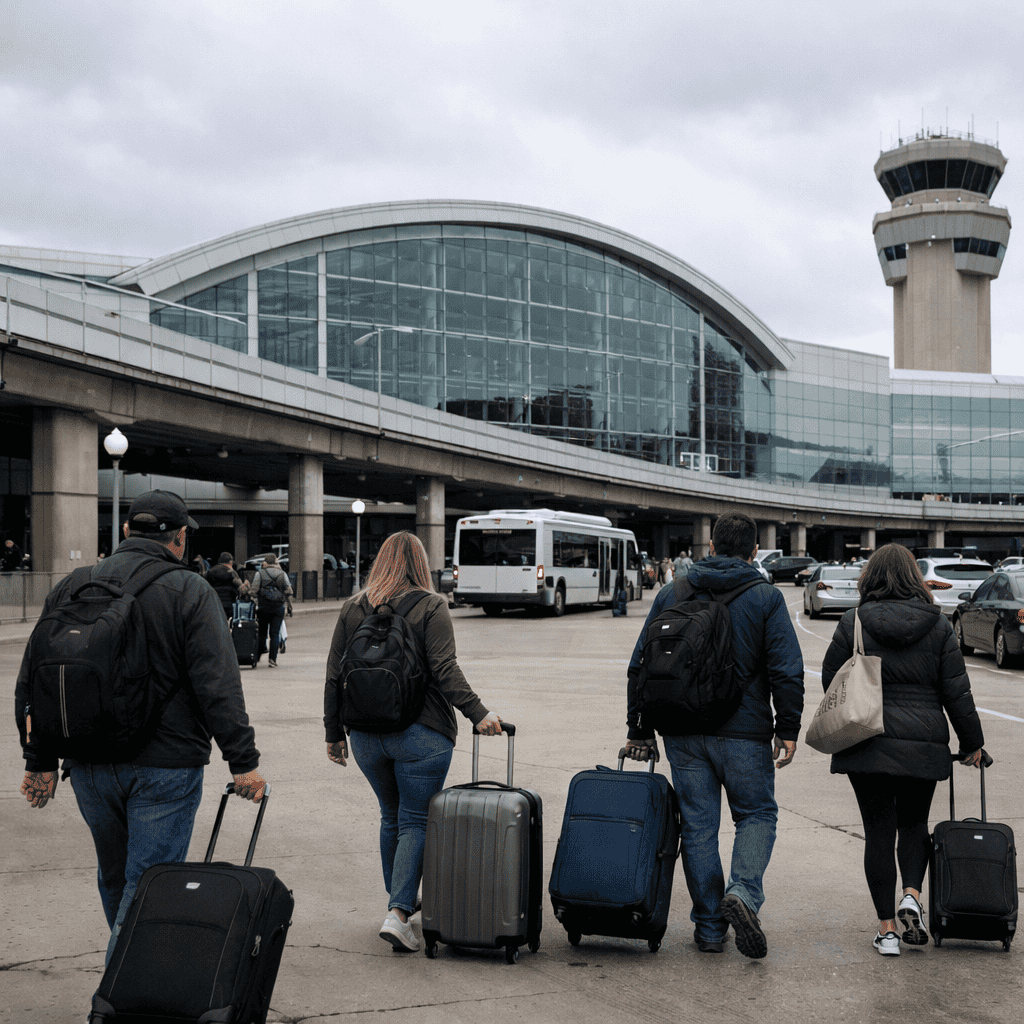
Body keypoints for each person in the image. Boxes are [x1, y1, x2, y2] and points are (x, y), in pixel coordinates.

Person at [16, 489, 266, 966]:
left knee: (116, 878)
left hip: (87, 763)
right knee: (147, 882)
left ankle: (135, 969)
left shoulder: (72, 586)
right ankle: (120, 995)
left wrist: (40, 761)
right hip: (165, 765)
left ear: (127, 532)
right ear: (181, 538)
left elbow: (34, 679)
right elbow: (217, 684)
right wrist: (244, 762)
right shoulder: (190, 590)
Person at [624, 511, 804, 958]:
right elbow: (786, 669)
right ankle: (742, 894)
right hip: (745, 733)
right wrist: (789, 728)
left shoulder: (673, 591)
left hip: (682, 733)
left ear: (711, 547)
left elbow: (640, 666)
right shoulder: (766, 598)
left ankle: (708, 929)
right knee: (757, 815)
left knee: (700, 829)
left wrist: (639, 728)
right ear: (754, 551)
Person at [324, 531, 502, 953]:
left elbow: (335, 674)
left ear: (380, 561)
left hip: (366, 735)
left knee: (391, 817)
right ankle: (400, 913)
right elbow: (444, 667)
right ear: (420, 564)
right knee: (415, 820)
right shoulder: (431, 604)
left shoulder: (353, 606)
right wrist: (480, 713)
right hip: (422, 735)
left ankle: (398, 903)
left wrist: (333, 733)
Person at [820, 543, 984, 957]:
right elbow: (957, 692)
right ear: (915, 577)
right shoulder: (939, 625)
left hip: (868, 742)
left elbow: (831, 681)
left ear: (870, 578)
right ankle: (912, 894)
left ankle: (888, 930)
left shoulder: (853, 621)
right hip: (923, 743)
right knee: (914, 825)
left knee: (878, 832)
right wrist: (973, 744)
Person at [248, 553, 293, 667]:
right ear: (276, 562)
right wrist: (289, 606)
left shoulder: (260, 574)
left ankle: (257, 657)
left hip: (263, 607)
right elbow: (288, 591)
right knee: (275, 634)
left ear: (266, 562)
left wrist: (254, 599)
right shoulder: (282, 574)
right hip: (278, 607)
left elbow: (253, 590)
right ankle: (272, 660)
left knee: (262, 633)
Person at [206, 551, 250, 619]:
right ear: (230, 561)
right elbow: (241, 589)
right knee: (228, 622)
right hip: (229, 602)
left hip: (214, 602)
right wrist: (246, 585)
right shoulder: (232, 572)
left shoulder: (210, 571)